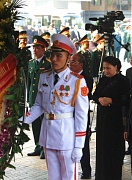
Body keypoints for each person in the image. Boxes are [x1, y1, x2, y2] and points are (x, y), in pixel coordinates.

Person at [22, 34, 89, 180]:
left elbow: (82, 115)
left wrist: (79, 145)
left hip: (66, 136)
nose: (54, 59)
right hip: (48, 134)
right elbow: (39, 106)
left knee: (68, 176)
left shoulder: (76, 81)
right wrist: (23, 120)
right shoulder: (44, 76)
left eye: (59, 55)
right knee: (53, 176)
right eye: (52, 55)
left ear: (68, 58)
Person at [93, 56, 130, 180]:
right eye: (104, 68)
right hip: (103, 119)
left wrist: (112, 100)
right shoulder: (103, 80)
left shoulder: (123, 81)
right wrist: (99, 99)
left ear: (116, 67)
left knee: (114, 150)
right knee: (102, 149)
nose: (106, 71)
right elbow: (94, 95)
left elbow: (126, 100)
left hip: (116, 119)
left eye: (108, 68)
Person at [69, 53, 93, 179]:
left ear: (81, 64)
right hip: (67, 116)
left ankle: (86, 169)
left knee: (83, 144)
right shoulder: (67, 77)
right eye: (70, 62)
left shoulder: (86, 78)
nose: (71, 64)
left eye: (74, 62)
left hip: (80, 116)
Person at [27, 36, 51, 159]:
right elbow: (29, 83)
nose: (35, 50)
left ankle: (44, 147)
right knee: (35, 123)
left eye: (37, 48)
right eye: (34, 47)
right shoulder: (31, 63)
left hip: (44, 99)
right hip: (33, 98)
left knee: (43, 123)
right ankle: (37, 145)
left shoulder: (48, 64)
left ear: (43, 49)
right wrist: (28, 99)